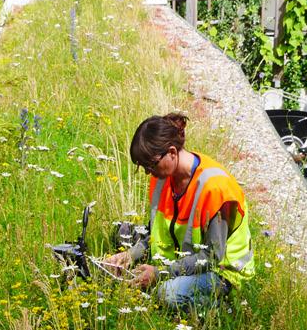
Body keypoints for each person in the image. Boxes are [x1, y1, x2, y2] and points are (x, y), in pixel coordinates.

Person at [107, 112, 254, 309]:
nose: (148, 172)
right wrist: (129, 255)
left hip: (222, 271)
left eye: (150, 165)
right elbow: (155, 233)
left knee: (166, 294)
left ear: (172, 153)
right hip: (180, 262)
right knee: (122, 231)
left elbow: (211, 257)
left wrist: (160, 274)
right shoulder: (161, 178)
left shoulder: (216, 188)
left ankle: (224, 307)